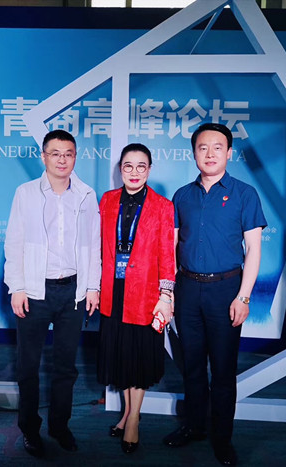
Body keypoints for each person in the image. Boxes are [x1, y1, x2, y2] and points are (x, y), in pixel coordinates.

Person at [163, 123, 266, 466]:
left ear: (229, 153)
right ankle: (194, 426)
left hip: (226, 290)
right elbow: (172, 248)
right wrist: (170, 292)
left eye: (217, 147)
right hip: (188, 288)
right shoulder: (182, 196)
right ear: (194, 153)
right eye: (202, 147)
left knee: (222, 371)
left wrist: (244, 297)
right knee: (191, 365)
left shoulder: (244, 194)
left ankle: (222, 439)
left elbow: (254, 250)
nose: (209, 154)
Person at [4, 129, 101, 458]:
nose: (62, 160)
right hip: (35, 290)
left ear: (75, 157)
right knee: (28, 367)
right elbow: (14, 243)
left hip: (72, 291)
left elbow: (94, 245)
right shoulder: (26, 193)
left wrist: (92, 287)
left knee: (66, 367)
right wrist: (17, 287)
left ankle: (60, 426)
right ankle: (30, 430)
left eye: (68, 154)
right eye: (56, 153)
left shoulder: (86, 195)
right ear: (43, 157)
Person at [97, 143, 176, 454]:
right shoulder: (107, 200)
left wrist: (165, 295)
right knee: (122, 356)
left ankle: (133, 420)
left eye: (141, 166)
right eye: (128, 166)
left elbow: (167, 255)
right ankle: (128, 412)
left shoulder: (162, 206)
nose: (134, 172)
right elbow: (99, 246)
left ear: (149, 169)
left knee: (138, 357)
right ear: (120, 169)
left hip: (144, 293)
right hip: (113, 291)